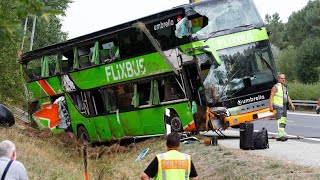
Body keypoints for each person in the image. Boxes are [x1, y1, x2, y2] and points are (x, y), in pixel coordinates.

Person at [269, 74, 295, 142]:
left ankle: (281, 133)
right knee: (280, 120)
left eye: (284, 78)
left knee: (284, 119)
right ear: (278, 79)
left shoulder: (285, 86)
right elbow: (271, 96)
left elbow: (287, 96)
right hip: (278, 105)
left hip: (284, 105)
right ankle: (281, 135)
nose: (283, 79)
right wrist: (271, 106)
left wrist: (291, 104)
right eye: (282, 78)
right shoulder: (275, 87)